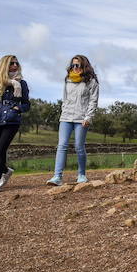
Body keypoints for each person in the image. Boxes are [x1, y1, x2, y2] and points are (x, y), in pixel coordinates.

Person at [46, 55, 99, 186]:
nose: (76, 68)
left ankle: (81, 175)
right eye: (73, 65)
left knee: (79, 147)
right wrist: (63, 110)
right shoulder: (67, 80)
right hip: (66, 117)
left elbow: (93, 101)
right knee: (62, 145)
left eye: (79, 65)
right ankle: (57, 176)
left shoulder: (91, 82)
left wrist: (88, 117)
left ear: (85, 66)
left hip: (82, 119)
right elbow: (64, 98)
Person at [0, 55, 30, 194]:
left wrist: (18, 109)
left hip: (12, 120)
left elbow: (27, 104)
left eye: (16, 63)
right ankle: (5, 170)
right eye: (11, 63)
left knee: (0, 149)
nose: (15, 65)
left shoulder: (22, 84)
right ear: (5, 65)